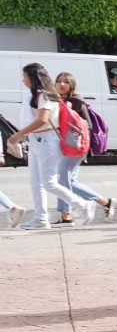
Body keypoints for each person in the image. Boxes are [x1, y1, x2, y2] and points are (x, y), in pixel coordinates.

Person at [11, 63, 87, 230]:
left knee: (49, 183)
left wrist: (19, 134)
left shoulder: (45, 95)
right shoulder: (32, 94)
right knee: (35, 183)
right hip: (36, 141)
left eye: (24, 76)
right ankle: (41, 219)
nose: (22, 80)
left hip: (47, 141)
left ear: (32, 77)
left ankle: (83, 205)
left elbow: (42, 120)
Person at [52, 72, 113, 224]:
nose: (61, 84)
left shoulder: (76, 101)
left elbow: (88, 124)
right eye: (59, 81)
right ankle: (104, 202)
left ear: (71, 84)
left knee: (62, 179)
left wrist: (70, 123)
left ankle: (66, 214)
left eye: (65, 82)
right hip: (65, 145)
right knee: (68, 181)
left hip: (75, 145)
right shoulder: (58, 100)